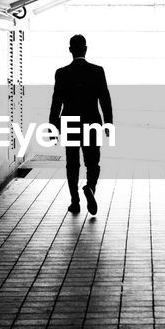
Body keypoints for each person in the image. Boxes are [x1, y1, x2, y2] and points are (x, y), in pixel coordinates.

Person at [49, 34, 113, 215]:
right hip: (92, 122)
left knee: (72, 164)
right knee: (92, 162)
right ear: (86, 49)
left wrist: (53, 127)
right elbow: (105, 100)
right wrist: (108, 123)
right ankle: (90, 188)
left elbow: (56, 102)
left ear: (70, 50)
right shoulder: (97, 71)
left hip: (70, 123)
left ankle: (74, 201)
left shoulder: (61, 73)